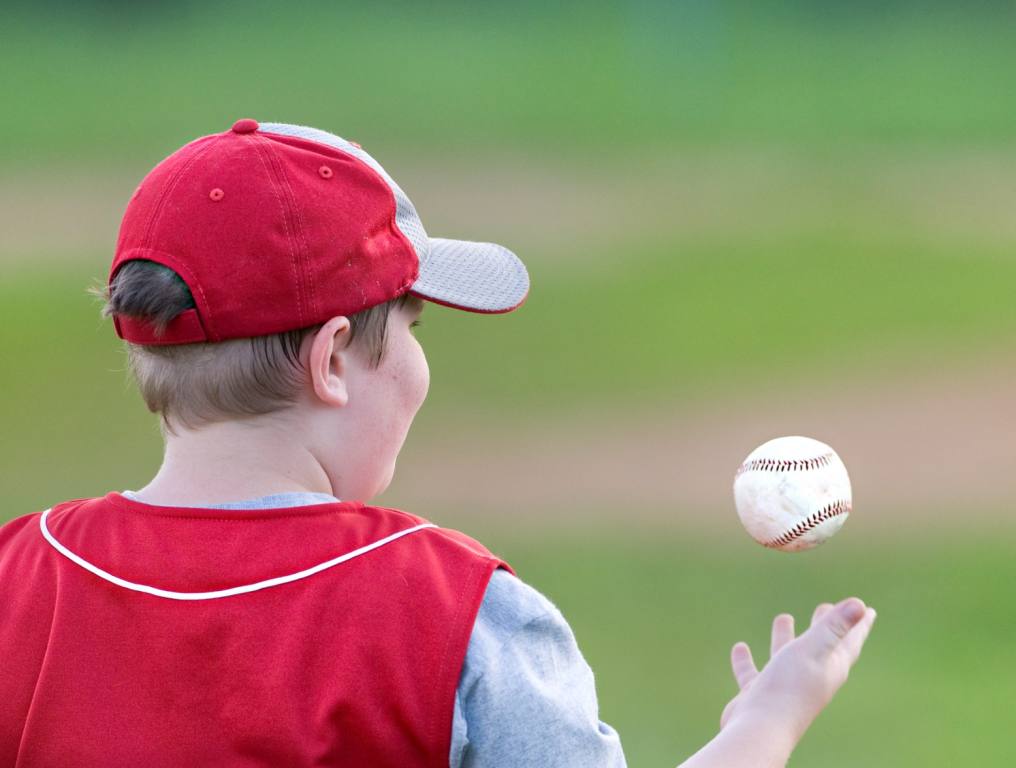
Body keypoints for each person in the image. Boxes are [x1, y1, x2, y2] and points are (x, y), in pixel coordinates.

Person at [0, 119, 876, 767]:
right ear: (333, 358)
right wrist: (768, 721)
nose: (419, 362)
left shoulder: (17, 579)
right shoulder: (452, 612)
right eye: (413, 325)